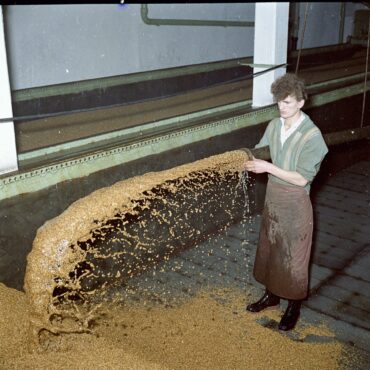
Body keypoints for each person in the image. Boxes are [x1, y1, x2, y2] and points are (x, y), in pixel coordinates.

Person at [244, 73, 328, 331]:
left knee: (294, 258)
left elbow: (302, 179)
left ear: (301, 103)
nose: (282, 106)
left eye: (288, 102)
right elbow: (262, 150)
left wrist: (267, 167)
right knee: (271, 249)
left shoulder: (312, 137)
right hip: (273, 200)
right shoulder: (274, 125)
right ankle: (272, 296)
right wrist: (246, 158)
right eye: (279, 101)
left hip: (294, 202)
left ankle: (293, 305)